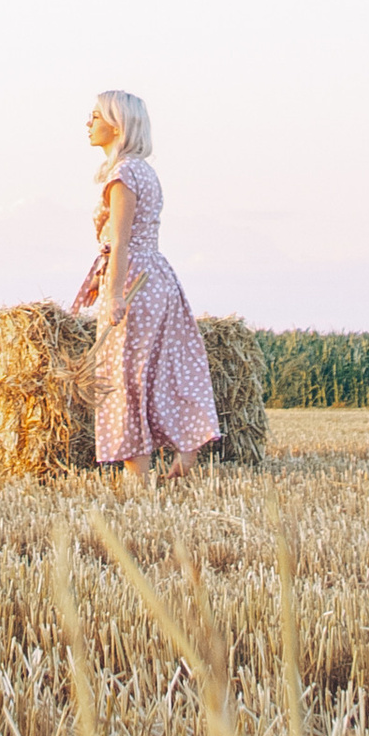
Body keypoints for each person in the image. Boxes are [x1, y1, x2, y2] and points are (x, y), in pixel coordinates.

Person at [71, 89, 219, 483]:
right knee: (161, 368)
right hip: (158, 276)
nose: (88, 123)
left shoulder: (123, 174)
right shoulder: (143, 170)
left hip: (132, 277)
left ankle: (137, 478)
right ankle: (186, 448)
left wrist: (115, 295)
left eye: (96, 116)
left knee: (122, 375)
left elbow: (120, 240)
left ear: (117, 125)